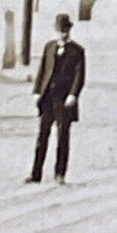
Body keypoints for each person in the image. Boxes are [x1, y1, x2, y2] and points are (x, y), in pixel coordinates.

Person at [28, 13, 85, 185]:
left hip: (64, 99)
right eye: (61, 30)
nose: (63, 34)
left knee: (62, 137)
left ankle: (60, 173)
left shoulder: (77, 51)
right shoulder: (49, 47)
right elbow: (42, 70)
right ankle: (35, 173)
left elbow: (79, 76)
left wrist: (73, 95)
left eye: (66, 30)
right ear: (56, 30)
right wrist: (37, 91)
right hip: (48, 98)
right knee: (42, 136)